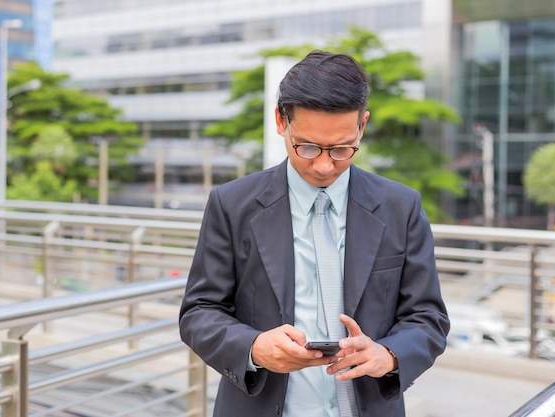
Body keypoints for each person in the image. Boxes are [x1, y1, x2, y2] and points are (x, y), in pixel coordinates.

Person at [179, 51, 450, 417]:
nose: (324, 165)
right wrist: (254, 346)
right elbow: (199, 312)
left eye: (342, 149)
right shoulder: (232, 204)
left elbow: (428, 316)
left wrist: (388, 354)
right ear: (280, 121)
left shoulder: (401, 206)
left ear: (362, 125)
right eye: (306, 146)